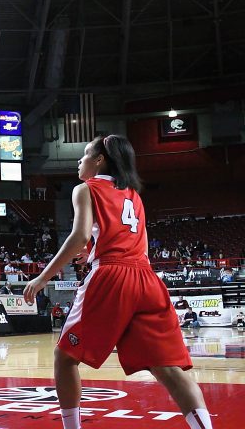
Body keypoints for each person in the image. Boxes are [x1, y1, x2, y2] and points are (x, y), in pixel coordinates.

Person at [23, 134, 212, 429]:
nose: (80, 160)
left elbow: (79, 236)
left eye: (85, 155)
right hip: (147, 279)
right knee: (169, 369)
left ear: (99, 161)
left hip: (112, 276)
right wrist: (96, 250)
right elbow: (138, 244)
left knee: (65, 357)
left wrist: (42, 276)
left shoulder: (85, 189)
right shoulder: (134, 194)